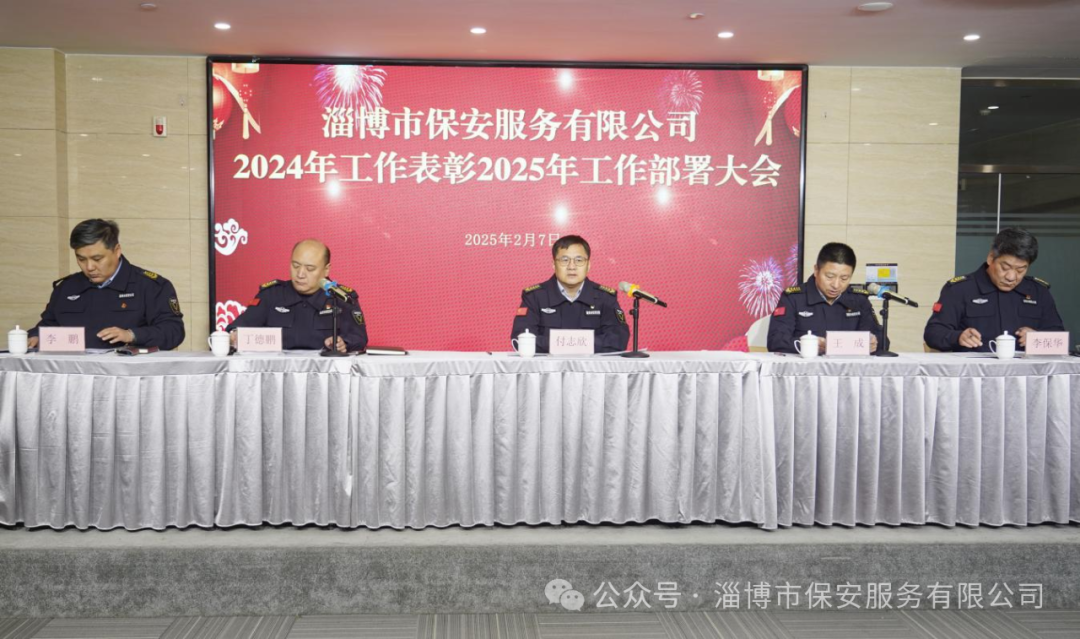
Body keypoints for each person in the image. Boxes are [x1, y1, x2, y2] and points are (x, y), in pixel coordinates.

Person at [28, 219, 185, 350]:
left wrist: (132, 335)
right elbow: (48, 325)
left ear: (117, 251)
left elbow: (174, 331)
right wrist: (35, 336)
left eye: (97, 259)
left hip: (127, 372)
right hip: (75, 372)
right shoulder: (67, 287)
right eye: (81, 259)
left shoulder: (150, 286)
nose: (89, 267)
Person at [924, 227, 1064, 352]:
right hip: (975, 370)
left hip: (1025, 371)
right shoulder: (960, 289)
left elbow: (1060, 340)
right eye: (1005, 267)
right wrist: (958, 337)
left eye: (1020, 270)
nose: (1011, 277)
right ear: (991, 258)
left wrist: (1037, 339)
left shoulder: (1038, 292)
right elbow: (933, 333)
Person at [227, 239, 367, 352]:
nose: (300, 274)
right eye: (295, 266)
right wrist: (234, 336)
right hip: (276, 373)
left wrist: (344, 343)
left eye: (309, 268)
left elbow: (359, 338)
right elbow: (239, 326)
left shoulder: (341, 297)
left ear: (326, 270)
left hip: (324, 373)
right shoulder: (271, 295)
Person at [511, 235, 629, 354]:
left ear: (588, 265)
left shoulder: (605, 298)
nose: (572, 267)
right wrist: (582, 344)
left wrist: (559, 344)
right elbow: (521, 339)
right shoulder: (534, 297)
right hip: (548, 366)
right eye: (564, 260)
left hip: (592, 366)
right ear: (553, 264)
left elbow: (618, 339)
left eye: (579, 260)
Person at [767, 242, 883, 355]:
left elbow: (882, 341)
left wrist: (874, 342)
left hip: (848, 367)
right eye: (829, 276)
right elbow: (775, 341)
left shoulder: (859, 300)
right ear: (816, 270)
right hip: (807, 366)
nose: (836, 285)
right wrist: (807, 345)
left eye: (844, 278)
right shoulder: (793, 299)